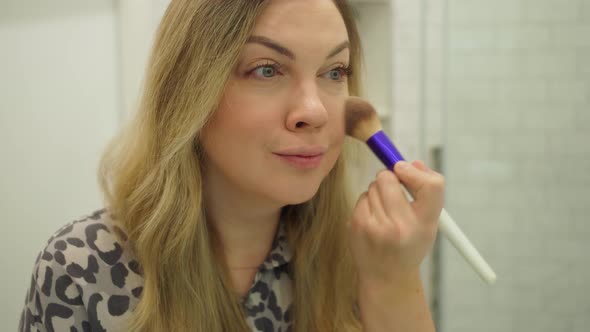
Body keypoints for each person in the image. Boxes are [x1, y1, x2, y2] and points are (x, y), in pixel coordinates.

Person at [19, 0, 445, 331]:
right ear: (188, 92)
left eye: (335, 71)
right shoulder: (85, 267)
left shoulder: (366, 259)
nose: (314, 111)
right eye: (266, 69)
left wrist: (394, 284)